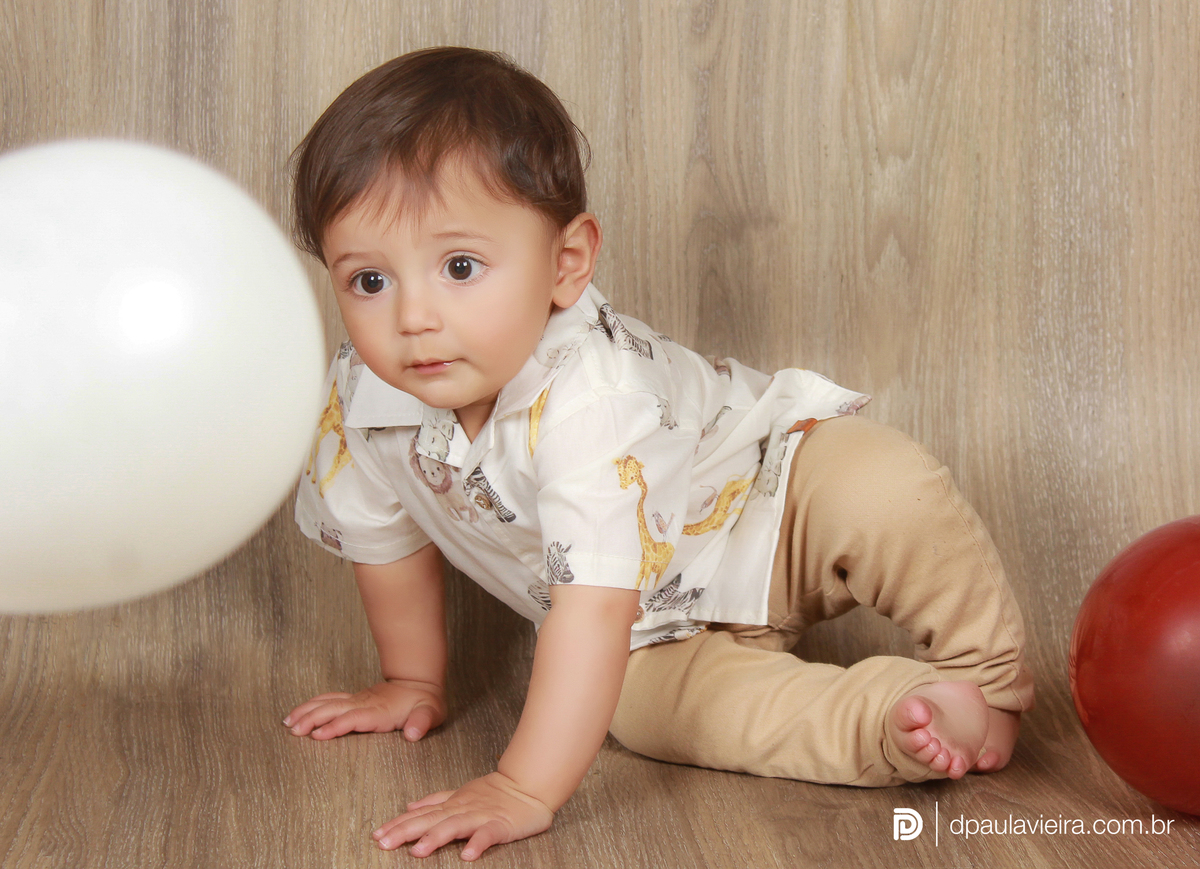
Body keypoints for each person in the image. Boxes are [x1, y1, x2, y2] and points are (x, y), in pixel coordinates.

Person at [284, 46, 1035, 861]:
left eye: (460, 266)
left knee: (882, 486)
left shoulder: (591, 398)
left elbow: (590, 608)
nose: (413, 316)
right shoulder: (363, 400)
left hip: (770, 507)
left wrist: (524, 785)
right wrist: (412, 679)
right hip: (647, 630)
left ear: (566, 263)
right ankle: (903, 716)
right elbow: (386, 542)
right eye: (368, 281)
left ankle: (986, 676)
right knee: (651, 717)